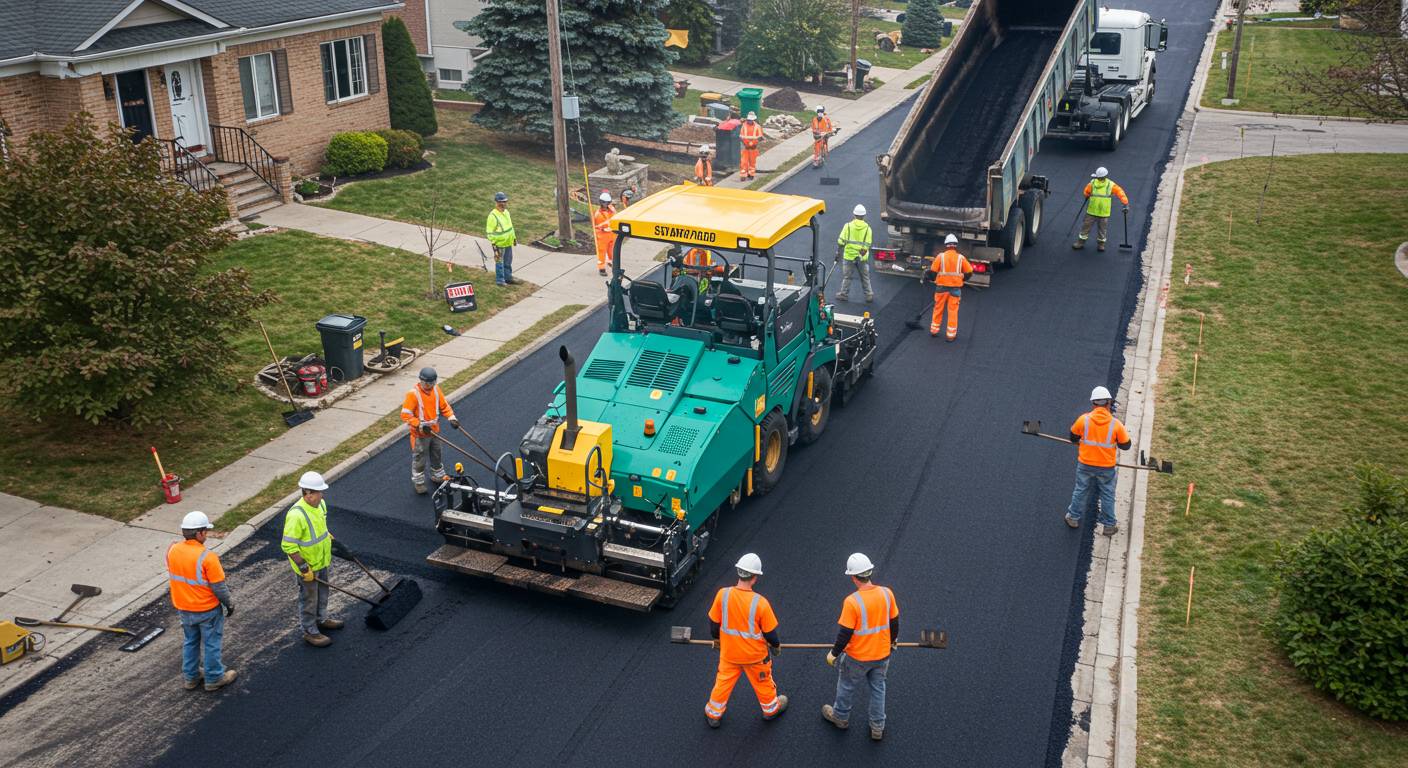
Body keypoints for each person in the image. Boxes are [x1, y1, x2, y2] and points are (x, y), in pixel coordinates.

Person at [822, 553, 899, 741]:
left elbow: (845, 634)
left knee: (846, 686)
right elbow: (894, 622)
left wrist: (834, 653)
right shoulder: (886, 593)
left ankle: (840, 717)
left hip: (857, 657)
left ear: (853, 577)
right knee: (878, 688)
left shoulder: (852, 601)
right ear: (869, 572)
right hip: (882, 655)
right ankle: (877, 727)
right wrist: (893, 640)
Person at [704, 553, 787, 728]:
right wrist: (776, 647)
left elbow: (714, 623)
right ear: (755, 578)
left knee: (723, 683)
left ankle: (713, 714)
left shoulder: (723, 595)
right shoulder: (761, 603)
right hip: (755, 657)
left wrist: (717, 640)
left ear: (738, 572)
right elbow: (771, 633)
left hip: (729, 654)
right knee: (763, 683)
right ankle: (771, 710)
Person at [166, 511, 236, 691]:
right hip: (207, 610)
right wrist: (229, 604)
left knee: (190, 641)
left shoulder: (172, 550)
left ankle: (191, 677)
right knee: (211, 644)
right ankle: (214, 678)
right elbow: (219, 587)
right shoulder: (207, 557)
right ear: (198, 533)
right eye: (205, 531)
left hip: (184, 608)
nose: (206, 534)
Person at [282, 471, 345, 647]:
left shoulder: (321, 505)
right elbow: (288, 546)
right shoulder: (296, 515)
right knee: (309, 599)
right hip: (308, 567)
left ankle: (322, 619)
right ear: (308, 494)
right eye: (318, 492)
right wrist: (303, 568)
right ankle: (310, 631)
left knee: (323, 593)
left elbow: (320, 527)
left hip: (322, 560)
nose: (322, 495)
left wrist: (327, 536)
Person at [1064, 386, 1132, 535]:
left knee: (1080, 490)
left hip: (1085, 464)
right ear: (1108, 403)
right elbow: (1126, 445)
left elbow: (1073, 437)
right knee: (1107, 494)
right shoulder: (1116, 425)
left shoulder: (1084, 420)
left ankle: (1073, 517)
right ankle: (1108, 526)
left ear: (1093, 404)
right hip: (1106, 467)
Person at [401, 366, 458, 494]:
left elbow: (444, 406)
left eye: (432, 383)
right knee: (420, 459)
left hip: (434, 431)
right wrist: (419, 425)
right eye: (427, 383)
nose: (429, 385)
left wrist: (451, 418)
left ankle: (437, 475)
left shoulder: (436, 390)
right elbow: (405, 415)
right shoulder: (413, 394)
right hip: (420, 435)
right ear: (421, 381)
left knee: (437, 454)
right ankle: (419, 482)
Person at [925, 234, 974, 341]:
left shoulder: (940, 257)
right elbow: (970, 272)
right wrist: (962, 278)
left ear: (946, 245)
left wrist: (928, 276)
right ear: (955, 245)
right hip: (955, 289)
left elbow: (933, 273)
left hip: (941, 288)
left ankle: (934, 330)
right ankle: (951, 336)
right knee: (953, 311)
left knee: (938, 309)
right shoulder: (961, 258)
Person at [1073, 167, 1129, 252]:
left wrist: (1087, 195)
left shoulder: (1093, 183)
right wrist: (1125, 203)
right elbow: (1120, 192)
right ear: (1106, 175)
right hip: (1102, 212)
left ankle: (1080, 243)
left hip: (1093, 211)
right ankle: (1100, 245)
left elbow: (1086, 192)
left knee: (1086, 227)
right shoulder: (1111, 184)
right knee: (1102, 229)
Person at [835, 204, 874, 303]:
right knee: (865, 277)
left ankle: (844, 294)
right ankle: (869, 295)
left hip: (849, 256)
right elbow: (868, 244)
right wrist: (861, 254)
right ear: (864, 216)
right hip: (862, 257)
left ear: (854, 215)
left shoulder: (847, 226)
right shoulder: (868, 229)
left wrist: (838, 252)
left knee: (847, 276)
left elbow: (841, 241)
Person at [486, 191, 517, 285]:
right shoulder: (493, 216)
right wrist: (494, 244)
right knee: (500, 262)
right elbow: (489, 232)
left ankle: (508, 277)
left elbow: (510, 227)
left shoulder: (506, 212)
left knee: (508, 261)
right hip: (499, 244)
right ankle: (500, 280)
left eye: (504, 201)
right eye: (500, 202)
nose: (503, 203)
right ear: (496, 202)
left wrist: (514, 238)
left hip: (508, 242)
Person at [593, 191, 616, 276]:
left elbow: (615, 218)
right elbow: (600, 225)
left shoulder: (612, 210)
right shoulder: (598, 214)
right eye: (603, 202)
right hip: (602, 235)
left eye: (606, 202)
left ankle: (611, 262)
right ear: (600, 202)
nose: (605, 204)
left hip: (612, 234)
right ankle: (601, 268)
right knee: (602, 252)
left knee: (612, 250)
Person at [739, 112, 763, 181]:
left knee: (752, 162)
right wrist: (746, 144)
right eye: (749, 120)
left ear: (753, 120)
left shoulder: (757, 127)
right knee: (744, 162)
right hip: (745, 147)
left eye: (751, 120)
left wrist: (753, 143)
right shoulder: (744, 126)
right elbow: (741, 137)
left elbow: (760, 137)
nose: (749, 121)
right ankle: (743, 175)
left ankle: (751, 174)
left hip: (753, 147)